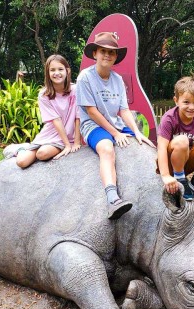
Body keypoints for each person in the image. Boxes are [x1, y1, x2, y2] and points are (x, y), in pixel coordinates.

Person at [76, 32, 155, 219]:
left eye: (111, 52)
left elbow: (124, 110)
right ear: (95, 53)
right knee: (106, 148)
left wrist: (136, 131)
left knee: (146, 145)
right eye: (103, 51)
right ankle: (112, 198)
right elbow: (92, 111)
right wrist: (114, 134)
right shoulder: (85, 78)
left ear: (115, 57)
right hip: (92, 125)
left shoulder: (117, 79)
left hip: (116, 124)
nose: (107, 55)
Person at [5, 54, 81, 167]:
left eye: (60, 69)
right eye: (52, 70)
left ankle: (35, 148)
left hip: (67, 136)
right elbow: (56, 120)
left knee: (42, 154)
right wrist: (67, 146)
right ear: (47, 73)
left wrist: (76, 142)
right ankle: (21, 148)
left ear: (68, 71)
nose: (57, 73)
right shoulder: (44, 94)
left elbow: (78, 116)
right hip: (50, 134)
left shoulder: (75, 90)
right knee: (21, 162)